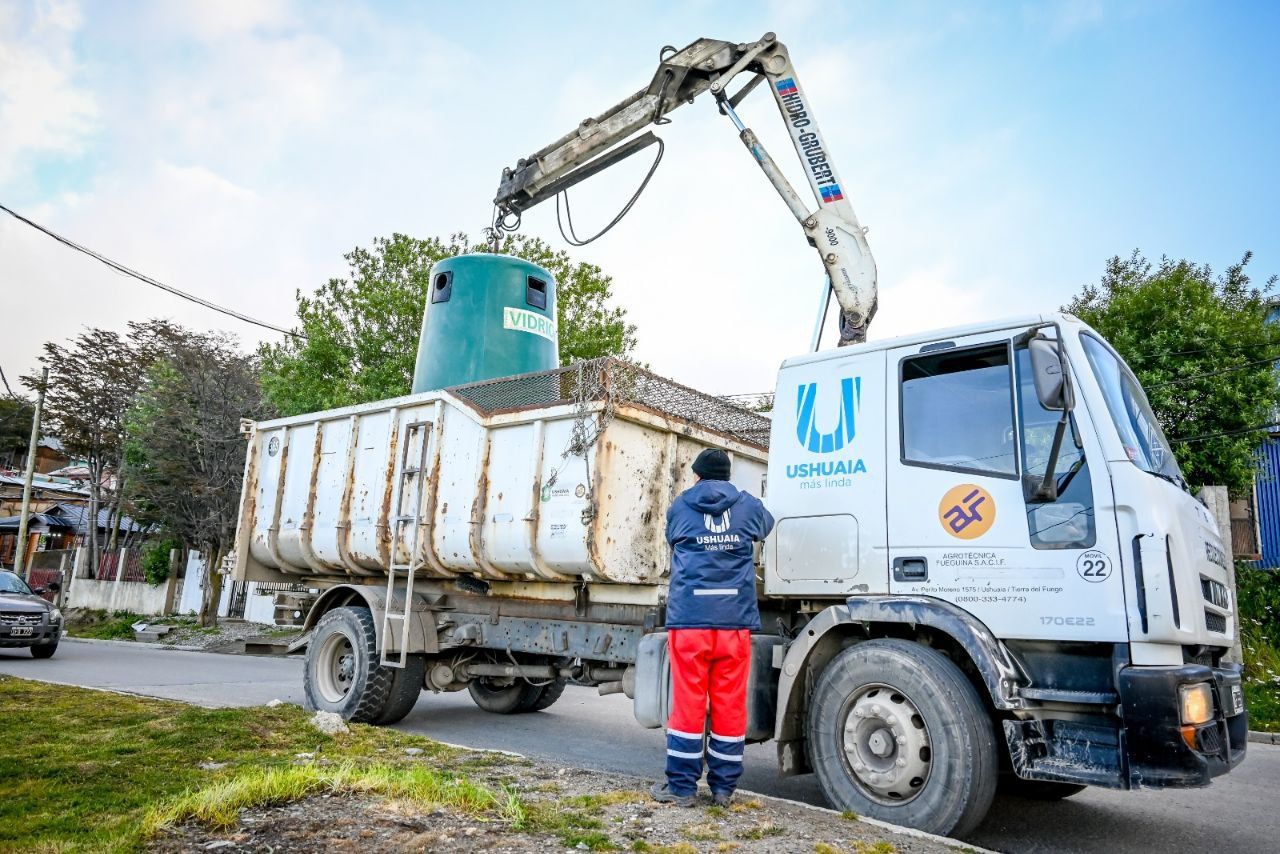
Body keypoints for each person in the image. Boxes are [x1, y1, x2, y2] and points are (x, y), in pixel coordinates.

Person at [650, 448, 775, 808]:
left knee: (688, 703)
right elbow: (766, 525)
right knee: (730, 704)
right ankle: (723, 789)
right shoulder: (747, 504)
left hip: (690, 619)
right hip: (734, 622)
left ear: (698, 476)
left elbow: (672, 539)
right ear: (727, 476)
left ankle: (682, 789)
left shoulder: (680, 505)